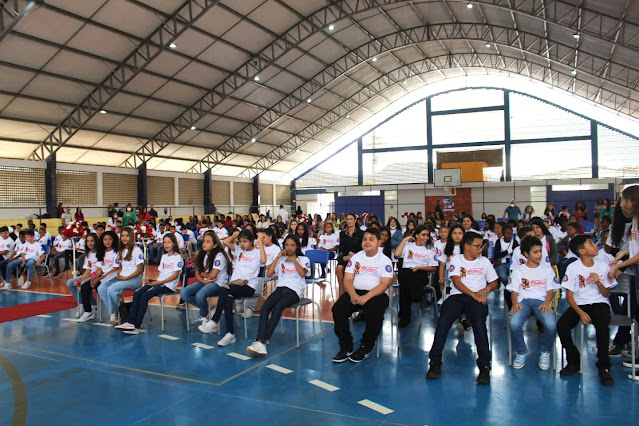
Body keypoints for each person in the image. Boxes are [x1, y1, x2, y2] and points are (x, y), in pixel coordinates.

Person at [426, 232, 499, 385]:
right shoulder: (456, 260)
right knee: (443, 322)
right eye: (477, 246)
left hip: (477, 297)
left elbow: (495, 282)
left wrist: (486, 289)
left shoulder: (484, 262)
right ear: (467, 246)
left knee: (479, 325)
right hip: (458, 296)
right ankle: (435, 362)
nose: (480, 250)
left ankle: (484, 367)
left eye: (481, 247)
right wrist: (475, 295)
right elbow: (457, 282)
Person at [557, 234, 616, 386]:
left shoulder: (602, 266)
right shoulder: (573, 267)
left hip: (599, 302)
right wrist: (580, 312)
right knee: (562, 326)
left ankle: (604, 367)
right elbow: (569, 296)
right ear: (582, 251)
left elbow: (607, 294)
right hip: (580, 304)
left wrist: (599, 283)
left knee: (602, 327)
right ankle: (574, 360)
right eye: (591, 243)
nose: (595, 245)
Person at [331, 228, 393, 363]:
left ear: (379, 242)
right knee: (338, 310)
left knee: (373, 312)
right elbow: (347, 279)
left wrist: (366, 297)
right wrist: (353, 294)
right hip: (356, 291)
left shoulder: (385, 260)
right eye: (365, 239)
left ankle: (365, 347)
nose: (367, 242)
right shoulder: (357, 257)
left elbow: (384, 284)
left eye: (371, 239)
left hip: (377, 294)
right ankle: (346, 346)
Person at [198, 230, 266, 347]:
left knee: (224, 291)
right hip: (234, 285)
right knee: (228, 299)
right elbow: (225, 242)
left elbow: (264, 261)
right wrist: (235, 235)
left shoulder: (256, 253)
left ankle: (214, 321)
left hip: (248, 286)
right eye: (240, 242)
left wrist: (259, 240)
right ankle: (230, 334)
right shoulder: (239, 250)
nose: (242, 244)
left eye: (245, 242)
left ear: (251, 242)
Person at [246, 235, 311, 357]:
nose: (289, 248)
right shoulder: (281, 260)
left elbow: (303, 273)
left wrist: (294, 260)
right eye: (287, 245)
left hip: (294, 290)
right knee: (265, 307)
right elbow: (269, 273)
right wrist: (277, 257)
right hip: (280, 288)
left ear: (297, 246)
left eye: (292, 245)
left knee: (278, 307)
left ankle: (262, 341)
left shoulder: (303, 259)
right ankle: (260, 340)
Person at [507, 236, 559, 370]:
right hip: (523, 302)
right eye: (535, 252)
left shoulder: (547, 269)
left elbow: (550, 291)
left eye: (540, 251)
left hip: (542, 302)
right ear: (526, 254)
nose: (539, 255)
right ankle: (521, 351)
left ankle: (545, 352)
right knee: (514, 323)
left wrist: (547, 302)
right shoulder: (519, 270)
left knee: (551, 325)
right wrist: (514, 303)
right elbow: (514, 291)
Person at [116, 233, 183, 334]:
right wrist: (155, 281)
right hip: (159, 283)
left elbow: (174, 275)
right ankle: (130, 322)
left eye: (169, 242)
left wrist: (160, 282)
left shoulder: (177, 257)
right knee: (137, 293)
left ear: (174, 243)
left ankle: (136, 325)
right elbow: (161, 272)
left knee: (145, 296)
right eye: (164, 242)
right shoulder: (164, 256)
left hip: (168, 285)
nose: (166, 244)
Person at [180, 231, 230, 325]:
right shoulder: (203, 255)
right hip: (206, 282)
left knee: (200, 295)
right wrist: (203, 280)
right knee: (184, 293)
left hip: (218, 284)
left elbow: (212, 276)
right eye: (204, 241)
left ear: (214, 245)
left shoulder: (219, 256)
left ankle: (204, 315)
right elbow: (197, 274)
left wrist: (203, 275)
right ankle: (206, 309)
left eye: (208, 242)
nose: (204, 244)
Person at [97, 227, 144, 324]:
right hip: (121, 277)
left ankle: (115, 313)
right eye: (122, 235)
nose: (124, 238)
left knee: (112, 289)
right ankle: (115, 311)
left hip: (133, 279)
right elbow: (119, 268)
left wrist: (126, 278)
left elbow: (140, 270)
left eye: (127, 236)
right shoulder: (121, 251)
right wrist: (107, 277)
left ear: (131, 236)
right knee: (101, 288)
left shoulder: (136, 250)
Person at [395, 225, 439, 327]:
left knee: (405, 288)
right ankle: (419, 296)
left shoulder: (430, 249)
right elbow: (397, 254)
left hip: (421, 272)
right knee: (405, 276)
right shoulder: (408, 246)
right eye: (423, 235)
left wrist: (419, 267)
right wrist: (405, 240)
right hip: (407, 273)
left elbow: (434, 267)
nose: (426, 238)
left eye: (427, 235)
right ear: (417, 235)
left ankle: (404, 316)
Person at [70, 234, 100, 320]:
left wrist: (84, 279)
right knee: (70, 283)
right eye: (88, 241)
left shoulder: (100, 252)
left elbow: (99, 270)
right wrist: (81, 279)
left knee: (84, 285)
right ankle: (81, 304)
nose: (90, 243)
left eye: (92, 241)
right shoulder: (88, 254)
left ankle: (89, 310)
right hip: (89, 274)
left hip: (97, 275)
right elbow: (87, 269)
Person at [336, 213, 364, 296]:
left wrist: (354, 256)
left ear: (355, 221)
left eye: (351, 219)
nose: (349, 221)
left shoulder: (361, 233)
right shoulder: (342, 233)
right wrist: (349, 254)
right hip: (346, 255)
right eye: (347, 219)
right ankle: (342, 292)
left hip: (358, 256)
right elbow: (342, 247)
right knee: (339, 267)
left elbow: (362, 248)